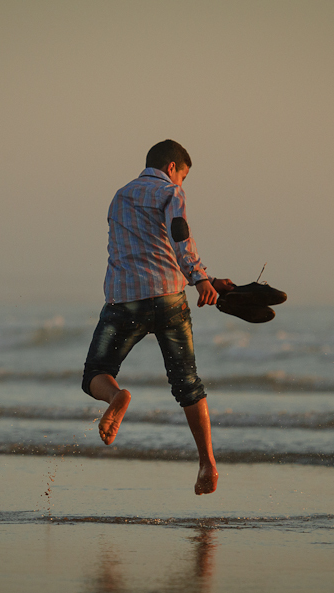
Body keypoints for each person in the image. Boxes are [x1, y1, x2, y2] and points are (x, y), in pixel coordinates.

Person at [82, 139, 233, 495]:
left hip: (124, 300)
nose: (181, 183)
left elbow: (140, 245)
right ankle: (207, 463)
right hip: (169, 297)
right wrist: (198, 279)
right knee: (187, 384)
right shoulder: (169, 193)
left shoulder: (119, 196)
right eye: (183, 175)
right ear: (171, 168)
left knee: (95, 374)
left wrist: (210, 279)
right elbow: (179, 234)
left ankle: (116, 397)